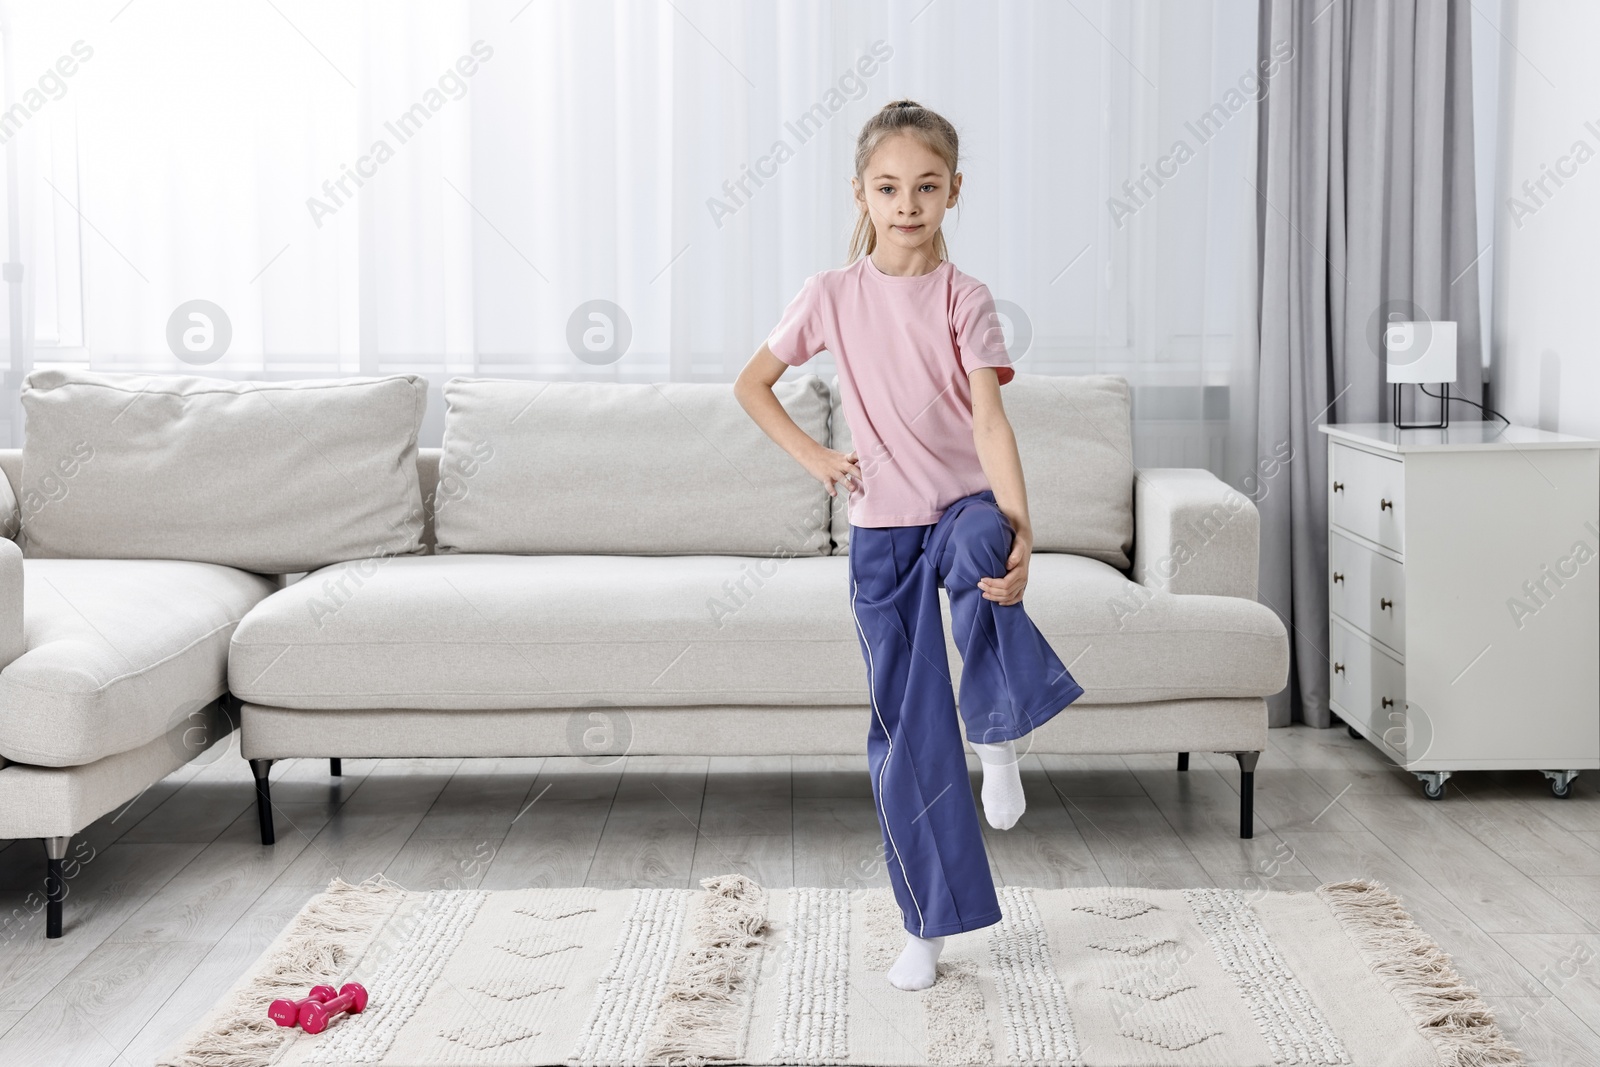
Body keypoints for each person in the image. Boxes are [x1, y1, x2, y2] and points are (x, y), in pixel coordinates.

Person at [733, 98, 1083, 991]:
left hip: (961, 506)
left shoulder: (966, 298)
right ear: (861, 192)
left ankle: (997, 733)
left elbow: (991, 422)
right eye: (888, 187)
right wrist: (817, 455)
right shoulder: (830, 295)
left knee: (985, 546)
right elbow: (754, 383)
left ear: (953, 191)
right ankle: (925, 926)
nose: (907, 203)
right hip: (882, 532)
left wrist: (1023, 527)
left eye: (927, 186)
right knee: (906, 726)